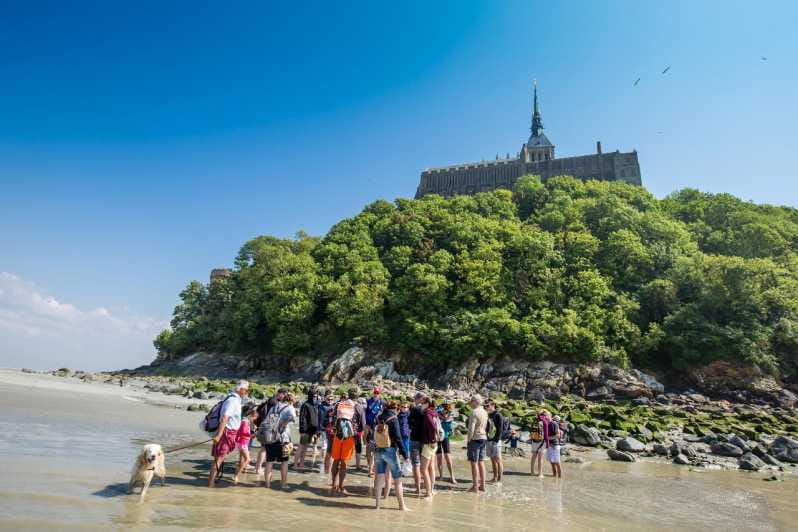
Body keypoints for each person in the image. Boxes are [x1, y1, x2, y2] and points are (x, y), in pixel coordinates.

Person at [209, 380, 248, 488]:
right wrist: (219, 435)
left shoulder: (233, 399)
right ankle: (211, 485)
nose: (247, 392)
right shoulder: (233, 401)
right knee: (219, 459)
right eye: (246, 390)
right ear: (241, 390)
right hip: (226, 432)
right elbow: (225, 417)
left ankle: (212, 482)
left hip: (228, 432)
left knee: (219, 458)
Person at [373, 400, 408, 511]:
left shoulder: (379, 417)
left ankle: (377, 505)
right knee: (397, 480)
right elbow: (398, 437)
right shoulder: (393, 418)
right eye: (397, 409)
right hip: (391, 450)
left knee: (379, 478)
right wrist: (405, 454)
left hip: (378, 450)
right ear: (394, 408)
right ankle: (402, 506)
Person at [259, 392, 297, 489]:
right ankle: (283, 484)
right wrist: (284, 423)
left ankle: (267, 484)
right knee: (284, 462)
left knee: (269, 461)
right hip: (283, 439)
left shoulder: (274, 407)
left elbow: (267, 420)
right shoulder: (290, 407)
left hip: (270, 437)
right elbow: (293, 418)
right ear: (291, 401)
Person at [329, 390, 361, 495]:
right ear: (357, 396)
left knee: (335, 460)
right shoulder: (357, 406)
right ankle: (341, 487)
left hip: (337, 435)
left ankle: (333, 485)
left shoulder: (339, 404)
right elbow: (362, 423)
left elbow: (332, 418)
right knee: (344, 462)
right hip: (349, 437)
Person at [254, 387, 287, 475]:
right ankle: (258, 468)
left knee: (264, 449)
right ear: (280, 394)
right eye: (284, 395)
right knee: (264, 449)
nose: (284, 397)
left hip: (264, 427)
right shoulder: (274, 402)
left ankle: (258, 467)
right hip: (267, 429)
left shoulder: (271, 400)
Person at [466, 394, 488, 493]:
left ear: (476, 402)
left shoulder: (474, 412)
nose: (470, 403)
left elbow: (471, 428)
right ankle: (482, 485)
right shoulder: (484, 412)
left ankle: (475, 487)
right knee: (481, 462)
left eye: (471, 401)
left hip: (475, 438)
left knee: (474, 463)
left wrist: (468, 440)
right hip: (483, 437)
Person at [295, 386, 320, 472]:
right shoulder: (305, 405)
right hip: (305, 430)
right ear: (310, 396)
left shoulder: (314, 405)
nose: (315, 398)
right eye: (314, 396)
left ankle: (301, 464)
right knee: (301, 447)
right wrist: (302, 430)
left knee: (305, 448)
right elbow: (302, 418)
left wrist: (316, 431)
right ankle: (295, 465)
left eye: (316, 396)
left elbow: (315, 418)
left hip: (311, 431)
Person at [419, 396, 439, 499]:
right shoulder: (434, 412)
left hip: (429, 444)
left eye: (422, 403)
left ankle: (428, 493)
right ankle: (431, 490)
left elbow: (432, 426)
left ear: (427, 403)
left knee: (423, 469)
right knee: (431, 468)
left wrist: (432, 440)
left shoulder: (427, 413)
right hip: (434, 444)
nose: (421, 404)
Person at [233, 404, 257, 485]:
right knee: (247, 460)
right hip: (243, 443)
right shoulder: (245, 422)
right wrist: (254, 434)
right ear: (250, 415)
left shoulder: (244, 421)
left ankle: (236, 474)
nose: (254, 420)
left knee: (241, 460)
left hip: (241, 443)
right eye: (254, 418)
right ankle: (236, 475)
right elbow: (244, 433)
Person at [408, 392, 426, 495]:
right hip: (425, 440)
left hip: (415, 439)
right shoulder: (427, 410)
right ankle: (427, 486)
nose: (414, 400)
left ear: (419, 399)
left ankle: (418, 488)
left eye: (416, 398)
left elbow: (409, 423)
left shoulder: (415, 410)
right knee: (425, 464)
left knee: (416, 464)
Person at [365, 386, 385, 476]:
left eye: (377, 393)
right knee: (368, 447)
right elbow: (364, 414)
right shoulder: (368, 401)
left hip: (377, 427)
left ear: (380, 393)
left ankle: (370, 468)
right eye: (375, 392)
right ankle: (370, 465)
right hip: (369, 426)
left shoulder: (382, 402)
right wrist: (365, 425)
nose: (376, 394)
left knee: (374, 448)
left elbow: (384, 415)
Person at [435, 402, 457, 484]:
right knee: (439, 456)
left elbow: (449, 422)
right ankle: (441, 476)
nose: (446, 412)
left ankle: (452, 476)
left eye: (447, 410)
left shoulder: (450, 414)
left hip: (446, 437)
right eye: (445, 409)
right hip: (438, 437)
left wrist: (441, 416)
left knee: (447, 456)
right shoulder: (438, 412)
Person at [485, 400, 504, 483]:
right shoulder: (488, 414)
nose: (486, 407)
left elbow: (500, 429)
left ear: (493, 405)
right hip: (489, 439)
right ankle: (494, 477)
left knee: (498, 459)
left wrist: (496, 440)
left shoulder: (498, 415)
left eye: (487, 405)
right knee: (492, 459)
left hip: (496, 441)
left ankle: (499, 479)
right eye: (485, 406)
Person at [319, 391, 335, 474]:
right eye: (328, 399)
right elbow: (320, 419)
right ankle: (325, 465)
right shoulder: (322, 407)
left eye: (332, 399)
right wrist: (319, 429)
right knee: (325, 446)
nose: (330, 400)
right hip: (324, 429)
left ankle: (327, 467)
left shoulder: (334, 406)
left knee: (328, 448)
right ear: (325, 399)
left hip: (331, 430)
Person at [530, 411, 548, 478]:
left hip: (534, 440)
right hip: (541, 441)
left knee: (534, 456)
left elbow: (531, 430)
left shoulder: (535, 420)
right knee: (540, 458)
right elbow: (546, 434)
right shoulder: (544, 421)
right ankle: (540, 473)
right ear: (545, 415)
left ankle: (532, 472)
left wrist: (532, 439)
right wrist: (547, 444)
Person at [353, 391, 367, 472]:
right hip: (357, 431)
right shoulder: (361, 408)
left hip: (349, 430)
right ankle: (358, 465)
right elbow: (363, 422)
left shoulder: (353, 406)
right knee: (358, 447)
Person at [547, 412, 562, 478]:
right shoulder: (546, 424)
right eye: (544, 416)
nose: (545, 417)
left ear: (550, 416)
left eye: (546, 415)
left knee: (557, 463)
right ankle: (554, 477)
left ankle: (560, 478)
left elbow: (558, 435)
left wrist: (548, 438)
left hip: (555, 445)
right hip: (549, 445)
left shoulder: (554, 423)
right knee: (552, 462)